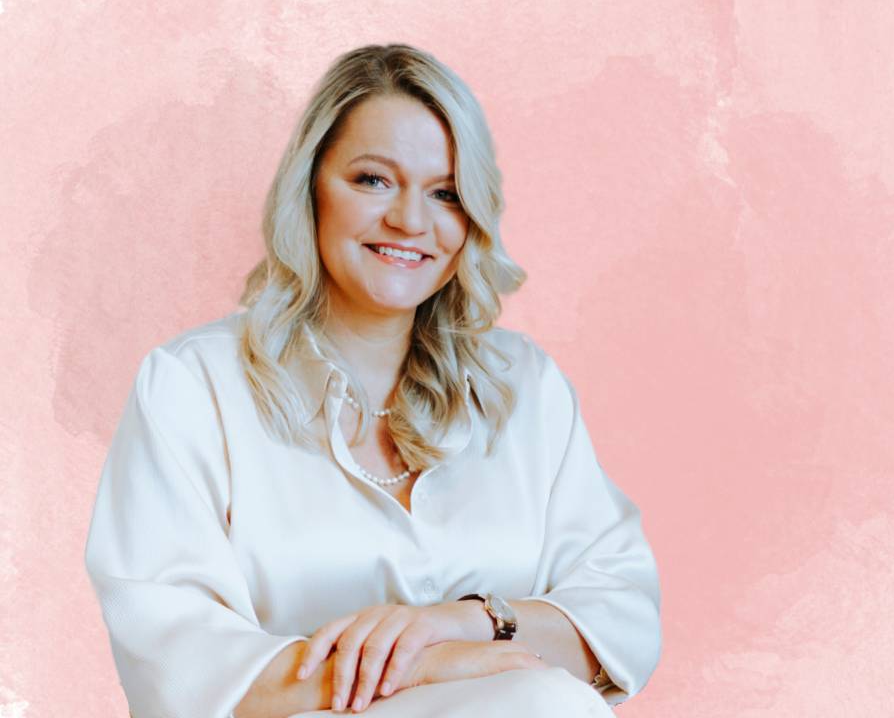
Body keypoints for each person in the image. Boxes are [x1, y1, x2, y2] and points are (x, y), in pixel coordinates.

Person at [82, 43, 661, 718]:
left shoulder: (525, 386)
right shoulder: (192, 387)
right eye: (373, 180)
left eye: (445, 193)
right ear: (310, 187)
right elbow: (175, 657)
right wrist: (428, 665)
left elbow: (622, 616)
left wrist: (467, 622)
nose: (410, 221)